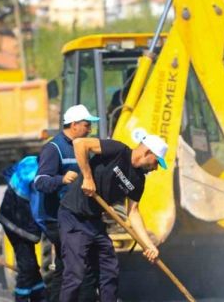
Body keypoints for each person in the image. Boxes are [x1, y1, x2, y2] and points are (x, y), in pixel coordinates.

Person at [58, 128, 169, 302]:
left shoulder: (139, 180)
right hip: (74, 216)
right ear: (148, 152)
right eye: (156, 162)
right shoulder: (118, 150)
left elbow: (133, 212)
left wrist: (149, 245)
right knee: (75, 274)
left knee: (109, 270)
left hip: (95, 221)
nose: (155, 168)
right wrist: (87, 177)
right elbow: (80, 144)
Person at [33, 104, 100, 302]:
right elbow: (39, 182)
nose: (89, 129)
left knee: (65, 268)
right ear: (73, 125)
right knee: (82, 264)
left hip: (76, 216)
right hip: (57, 219)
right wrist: (61, 179)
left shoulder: (82, 147)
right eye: (87, 125)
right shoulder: (54, 149)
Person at [0, 155, 46, 302]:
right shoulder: (40, 180)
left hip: (7, 216)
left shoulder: (29, 160)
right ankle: (21, 298)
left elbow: (7, 172)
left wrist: (16, 188)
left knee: (31, 266)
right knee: (27, 268)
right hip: (19, 225)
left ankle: (40, 297)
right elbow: (40, 212)